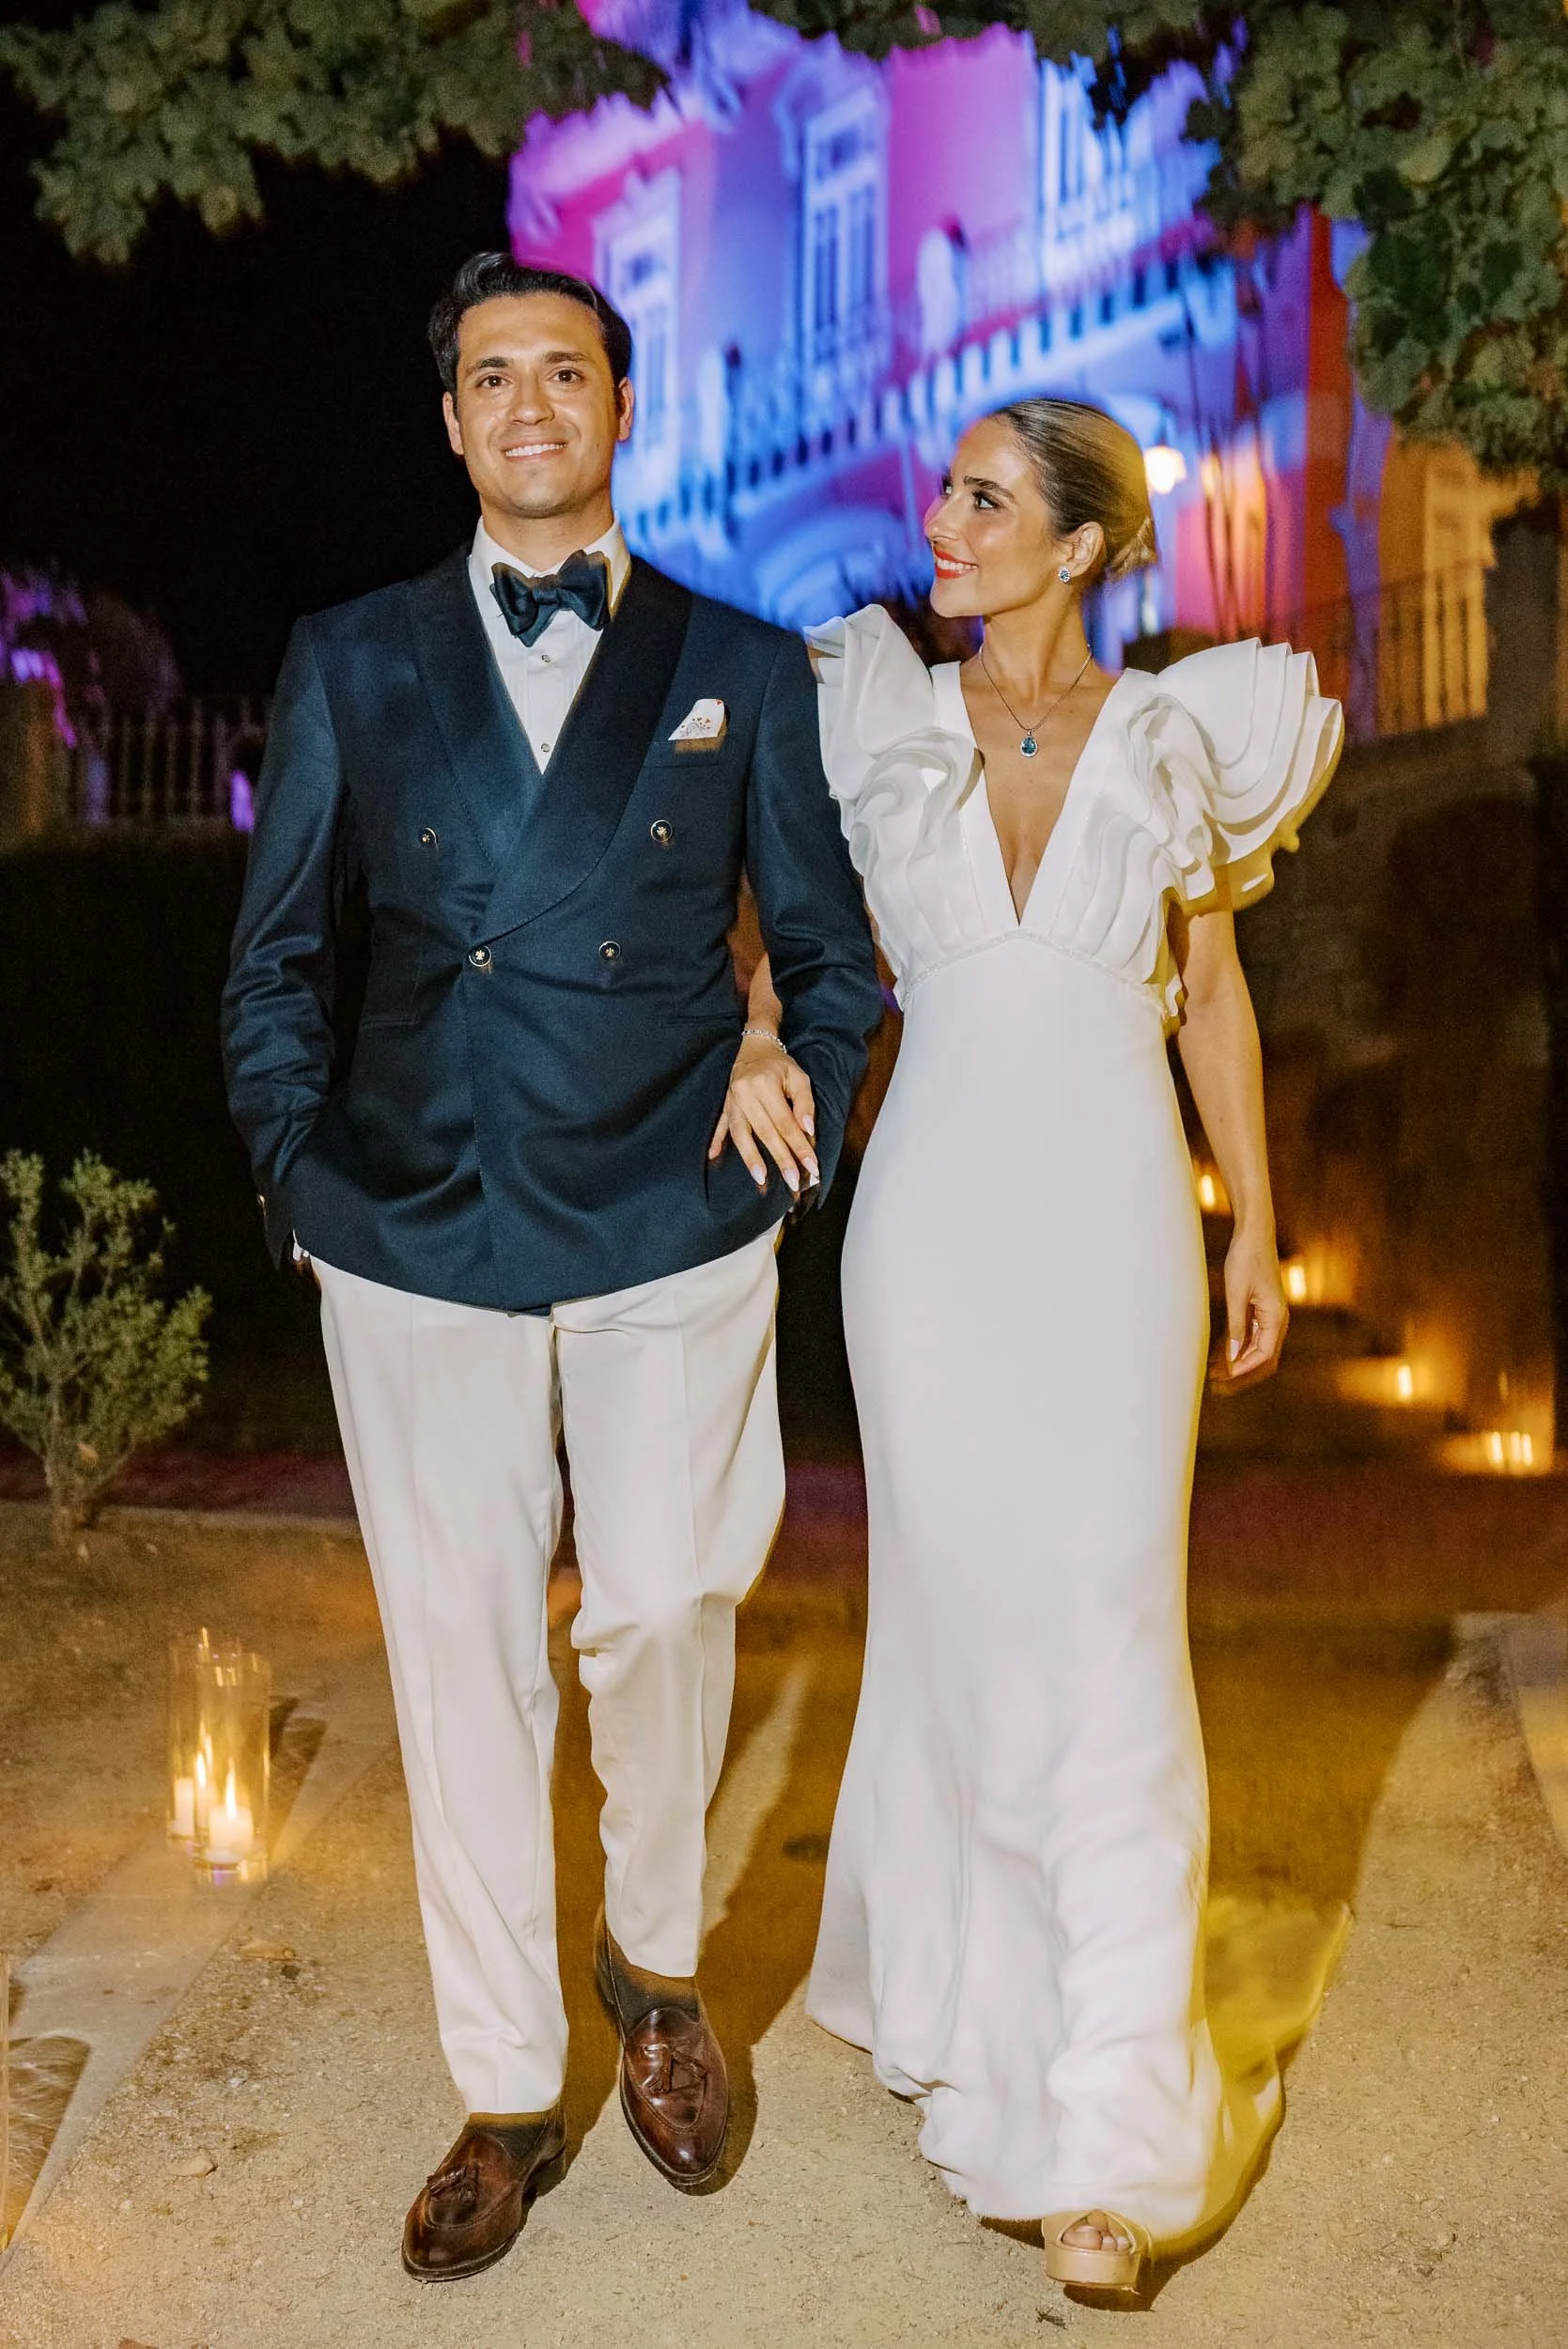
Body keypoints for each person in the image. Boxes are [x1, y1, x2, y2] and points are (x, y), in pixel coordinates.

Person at [222, 253, 881, 2281]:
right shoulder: (350, 654)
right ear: (449, 421)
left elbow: (841, 960)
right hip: (416, 1225)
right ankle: (511, 2086)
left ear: (620, 409)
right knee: (460, 1654)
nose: (528, 401)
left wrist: (798, 1092)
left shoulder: (739, 664)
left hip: (673, 1210)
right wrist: (299, 1178)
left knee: (672, 1607)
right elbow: (275, 960)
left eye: (566, 371)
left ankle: (654, 1967)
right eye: (491, 375)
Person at [715, 398, 1342, 2293]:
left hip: (1120, 1223)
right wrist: (756, 1028)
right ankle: (983, 2031)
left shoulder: (1176, 732)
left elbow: (1212, 1001)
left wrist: (1260, 1218)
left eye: (989, 495)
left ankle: (1111, 2121)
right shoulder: (871, 708)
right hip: (928, 1231)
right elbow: (776, 932)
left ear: (1083, 543)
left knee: (1111, 1621)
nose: (946, 516)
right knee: (970, 1618)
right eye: (952, 489)